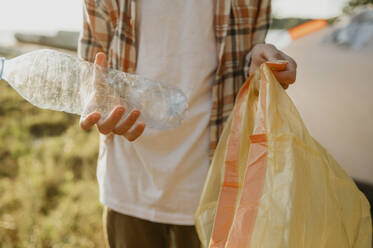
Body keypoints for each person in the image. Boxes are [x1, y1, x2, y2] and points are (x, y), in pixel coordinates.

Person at [78, 0, 297, 247]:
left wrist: (258, 68)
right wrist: (100, 101)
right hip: (128, 182)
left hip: (215, 189)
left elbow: (246, 58)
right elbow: (90, 68)